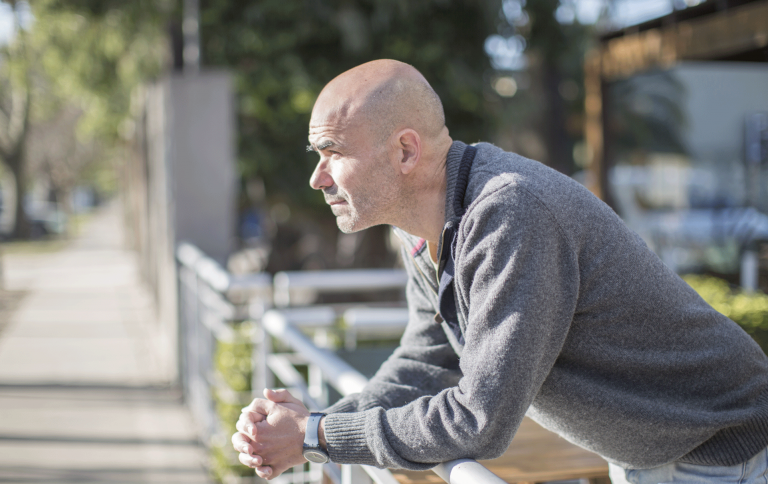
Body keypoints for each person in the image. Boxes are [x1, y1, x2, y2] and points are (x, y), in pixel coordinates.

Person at [232, 59, 768, 483]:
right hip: (656, 454)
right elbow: (427, 358)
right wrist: (315, 427)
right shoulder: (422, 225)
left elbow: (477, 421)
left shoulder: (509, 212)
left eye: (331, 151)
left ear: (404, 151)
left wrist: (317, 434)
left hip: (720, 457)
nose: (316, 177)